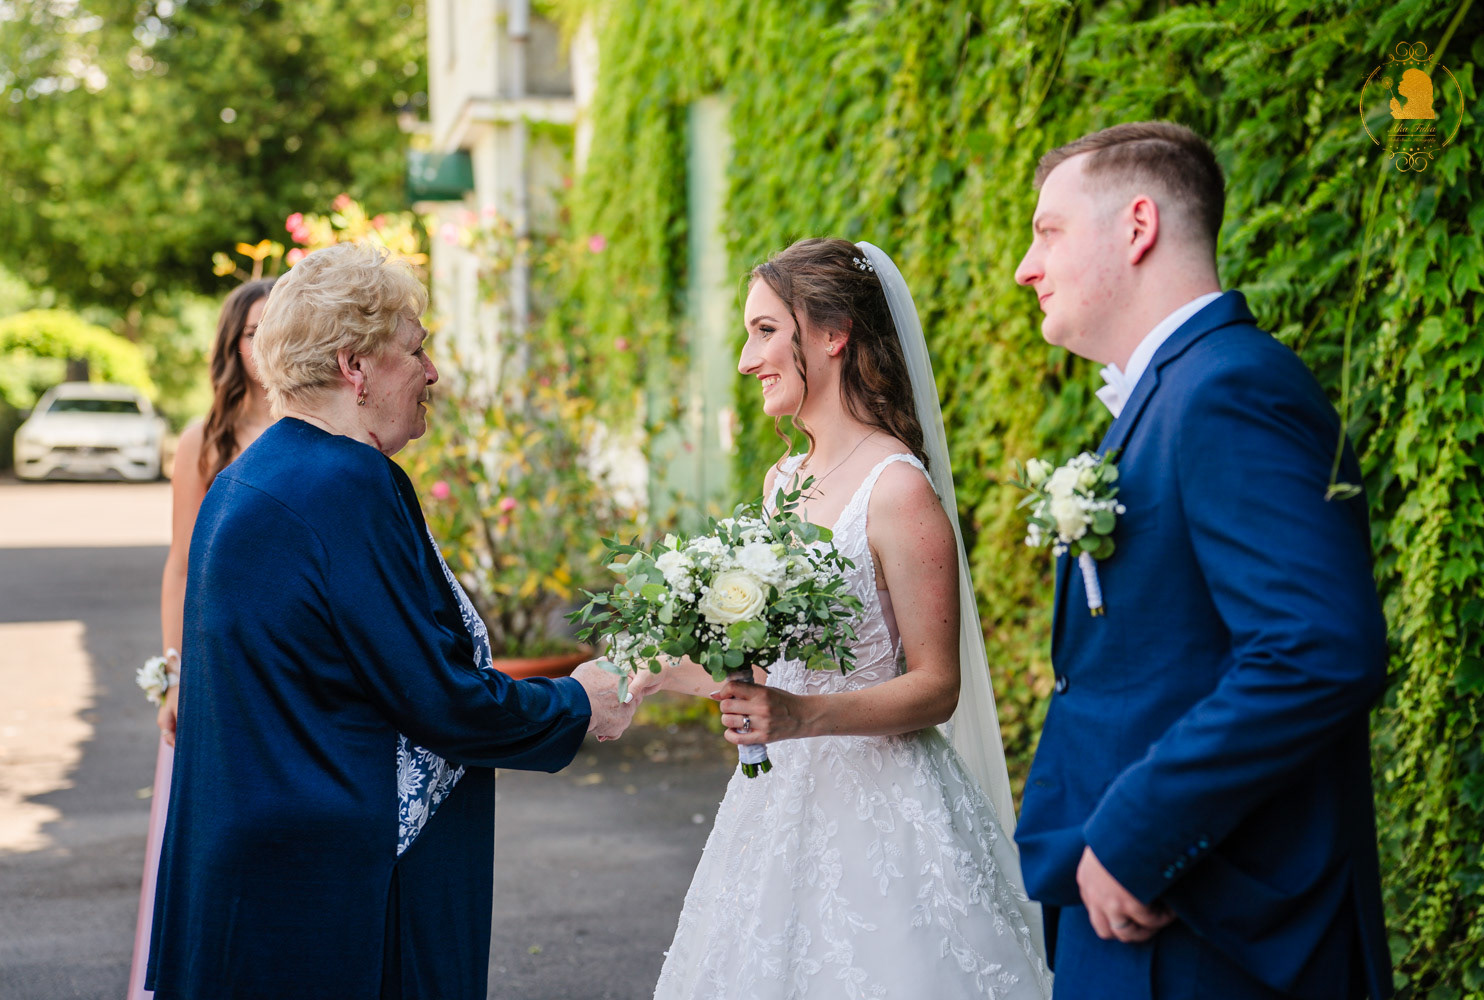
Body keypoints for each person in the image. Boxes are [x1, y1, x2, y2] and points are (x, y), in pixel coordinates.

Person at [143, 242, 635, 1000]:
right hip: (340, 892)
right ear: (355, 366)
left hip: (265, 878)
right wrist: (580, 701)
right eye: (415, 348)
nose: (431, 372)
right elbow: (433, 694)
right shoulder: (346, 482)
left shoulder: (252, 475)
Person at [1010, 121, 1392, 1000]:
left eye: (1048, 232)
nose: (1027, 268)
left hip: (1208, 926)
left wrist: (1138, 836)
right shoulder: (1176, 392)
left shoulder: (1228, 388)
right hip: (1142, 911)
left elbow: (1316, 648)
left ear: (1137, 226)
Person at [632, 238, 1051, 999]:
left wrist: (801, 716)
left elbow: (937, 687)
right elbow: (768, 667)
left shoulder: (898, 490)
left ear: (832, 334)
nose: (746, 359)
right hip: (776, 806)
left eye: (765, 331)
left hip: (886, 811)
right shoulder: (782, 481)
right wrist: (656, 669)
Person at [128, 277, 276, 1000]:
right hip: (220, 658)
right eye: (253, 333)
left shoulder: (323, 429)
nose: (266, 344)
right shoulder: (204, 439)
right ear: (231, 345)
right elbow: (182, 564)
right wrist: (175, 674)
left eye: (278, 328)